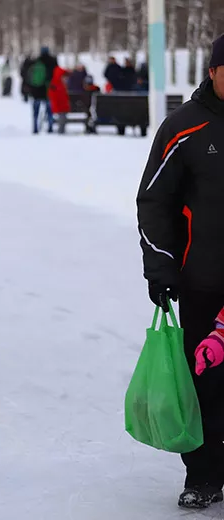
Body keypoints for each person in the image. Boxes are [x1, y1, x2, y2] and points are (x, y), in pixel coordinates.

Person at [136, 33, 224, 511]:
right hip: (203, 282)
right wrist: (161, 266)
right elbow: (153, 200)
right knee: (204, 382)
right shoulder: (183, 128)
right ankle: (205, 474)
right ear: (212, 72)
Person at [26, 46, 58, 134]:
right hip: (48, 89)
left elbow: (28, 74)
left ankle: (35, 128)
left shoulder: (36, 61)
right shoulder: (53, 61)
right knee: (49, 110)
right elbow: (57, 75)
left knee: (36, 111)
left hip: (36, 90)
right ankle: (50, 127)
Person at [48, 66, 70, 134]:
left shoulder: (59, 83)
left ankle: (61, 130)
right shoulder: (56, 83)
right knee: (62, 116)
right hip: (60, 104)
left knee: (63, 116)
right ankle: (61, 131)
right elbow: (53, 95)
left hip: (62, 104)